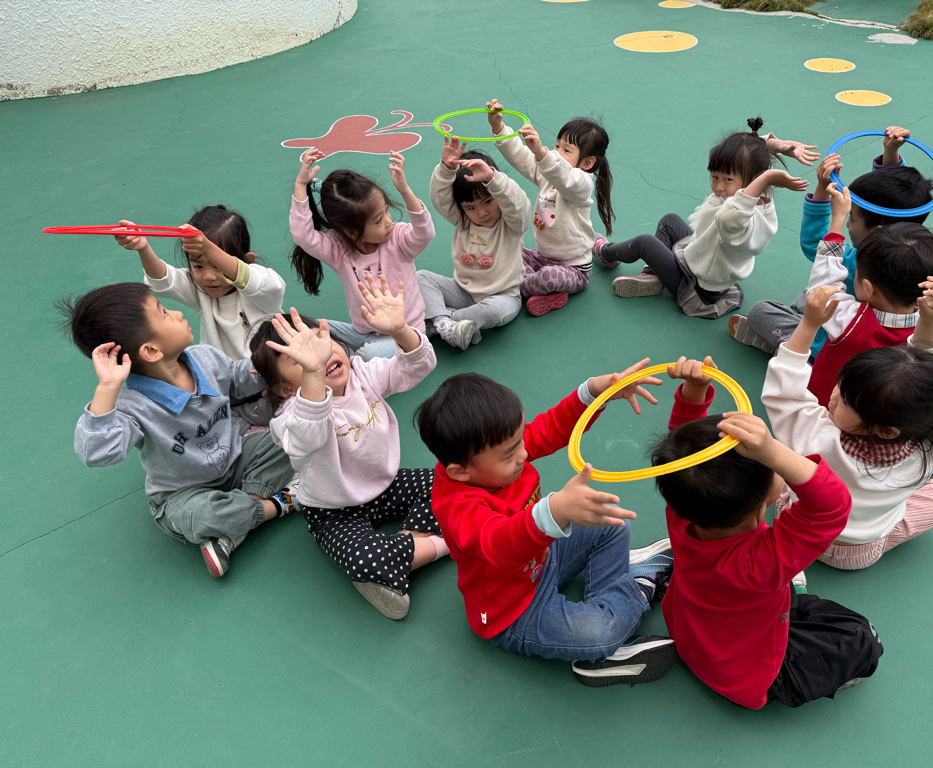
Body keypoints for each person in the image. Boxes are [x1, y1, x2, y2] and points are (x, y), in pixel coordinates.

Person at [415, 362, 678, 686]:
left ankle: (618, 595)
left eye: (519, 441)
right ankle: (638, 589)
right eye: (510, 454)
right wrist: (554, 511)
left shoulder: (500, 449)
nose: (524, 453)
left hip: (543, 559)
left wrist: (594, 393)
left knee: (609, 520)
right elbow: (499, 544)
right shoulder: (458, 505)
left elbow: (550, 427)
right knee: (600, 632)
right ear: (461, 471)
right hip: (512, 611)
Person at [653, 355, 883, 707]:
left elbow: (686, 462)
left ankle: (789, 592)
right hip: (747, 674)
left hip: (693, 631)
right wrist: (773, 451)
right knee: (861, 636)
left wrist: (694, 392)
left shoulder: (683, 511)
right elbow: (831, 507)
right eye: (771, 466)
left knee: (791, 597)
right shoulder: (761, 561)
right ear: (760, 507)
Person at [60, 282, 295, 578]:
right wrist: (107, 387)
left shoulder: (205, 357)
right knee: (202, 515)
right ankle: (280, 504)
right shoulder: (132, 406)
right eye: (163, 312)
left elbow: (239, 378)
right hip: (184, 493)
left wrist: (280, 364)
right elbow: (96, 453)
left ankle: (232, 531)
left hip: (236, 456)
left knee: (289, 439)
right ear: (151, 350)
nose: (177, 313)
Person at [251, 276, 445, 619]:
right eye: (303, 360)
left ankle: (404, 549)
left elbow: (418, 366)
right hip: (333, 509)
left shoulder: (362, 375)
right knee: (364, 559)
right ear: (284, 389)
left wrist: (401, 330)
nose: (321, 356)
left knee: (449, 482)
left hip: (385, 485)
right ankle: (444, 542)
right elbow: (310, 435)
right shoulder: (290, 418)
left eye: (321, 342)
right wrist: (314, 375)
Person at [762, 283, 933, 570]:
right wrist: (929, 322)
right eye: (840, 385)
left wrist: (809, 324)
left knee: (780, 473)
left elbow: (783, 391)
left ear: (885, 430)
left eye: (844, 400)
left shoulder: (817, 436)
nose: (832, 396)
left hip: (800, 531)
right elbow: (929, 382)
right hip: (857, 552)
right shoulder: (930, 443)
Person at [731, 127, 933, 355]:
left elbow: (815, 245)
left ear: (877, 232)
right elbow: (890, 203)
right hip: (869, 346)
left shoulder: (858, 264)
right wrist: (891, 156)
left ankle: (792, 347)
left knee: (763, 311)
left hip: (832, 341)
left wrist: (825, 195)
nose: (848, 222)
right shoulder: (926, 268)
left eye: (852, 217)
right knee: (810, 294)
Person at [594, 118, 816, 318]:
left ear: (754, 180)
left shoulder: (741, 217)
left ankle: (606, 253)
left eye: (727, 180)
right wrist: (776, 145)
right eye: (715, 177)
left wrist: (767, 176)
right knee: (669, 221)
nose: (719, 186)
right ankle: (653, 275)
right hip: (701, 256)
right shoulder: (754, 192)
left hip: (698, 287)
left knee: (644, 243)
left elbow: (730, 219)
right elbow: (753, 157)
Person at [800, 179, 933, 406]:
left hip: (825, 407)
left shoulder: (849, 322)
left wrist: (837, 221)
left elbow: (822, 286)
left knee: (801, 305)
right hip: (874, 414)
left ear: (867, 289)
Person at [289, 148, 434, 359]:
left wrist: (405, 191)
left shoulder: (397, 238)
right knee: (310, 329)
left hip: (405, 333)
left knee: (369, 354)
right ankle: (347, 357)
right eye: (377, 220)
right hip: (363, 333)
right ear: (351, 232)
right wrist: (300, 185)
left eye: (386, 210)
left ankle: (350, 361)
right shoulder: (339, 248)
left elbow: (425, 233)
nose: (388, 221)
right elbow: (303, 235)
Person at [486, 100, 615, 317]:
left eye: (566, 150)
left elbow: (564, 177)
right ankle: (594, 244)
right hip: (542, 257)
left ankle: (523, 285)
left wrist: (542, 153)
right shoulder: (547, 173)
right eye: (556, 146)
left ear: (587, 163)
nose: (556, 152)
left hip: (573, 268)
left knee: (548, 277)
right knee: (505, 248)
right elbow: (522, 157)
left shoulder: (582, 184)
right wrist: (499, 128)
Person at [114, 205, 286, 361]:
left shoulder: (261, 287)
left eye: (217, 265)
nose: (208, 276)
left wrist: (208, 249)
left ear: (248, 260)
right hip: (224, 378)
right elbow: (163, 280)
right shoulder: (199, 288)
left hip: (272, 375)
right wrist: (143, 248)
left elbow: (259, 282)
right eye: (198, 266)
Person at [416, 139, 530, 350]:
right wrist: (446, 168)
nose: (482, 213)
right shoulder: (463, 221)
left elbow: (518, 204)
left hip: (503, 296)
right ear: (462, 208)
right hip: (463, 292)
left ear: (497, 195)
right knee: (421, 277)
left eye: (488, 201)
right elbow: (441, 200)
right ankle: (452, 325)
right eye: (471, 207)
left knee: (494, 311)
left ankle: (440, 322)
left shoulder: (512, 224)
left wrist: (493, 179)